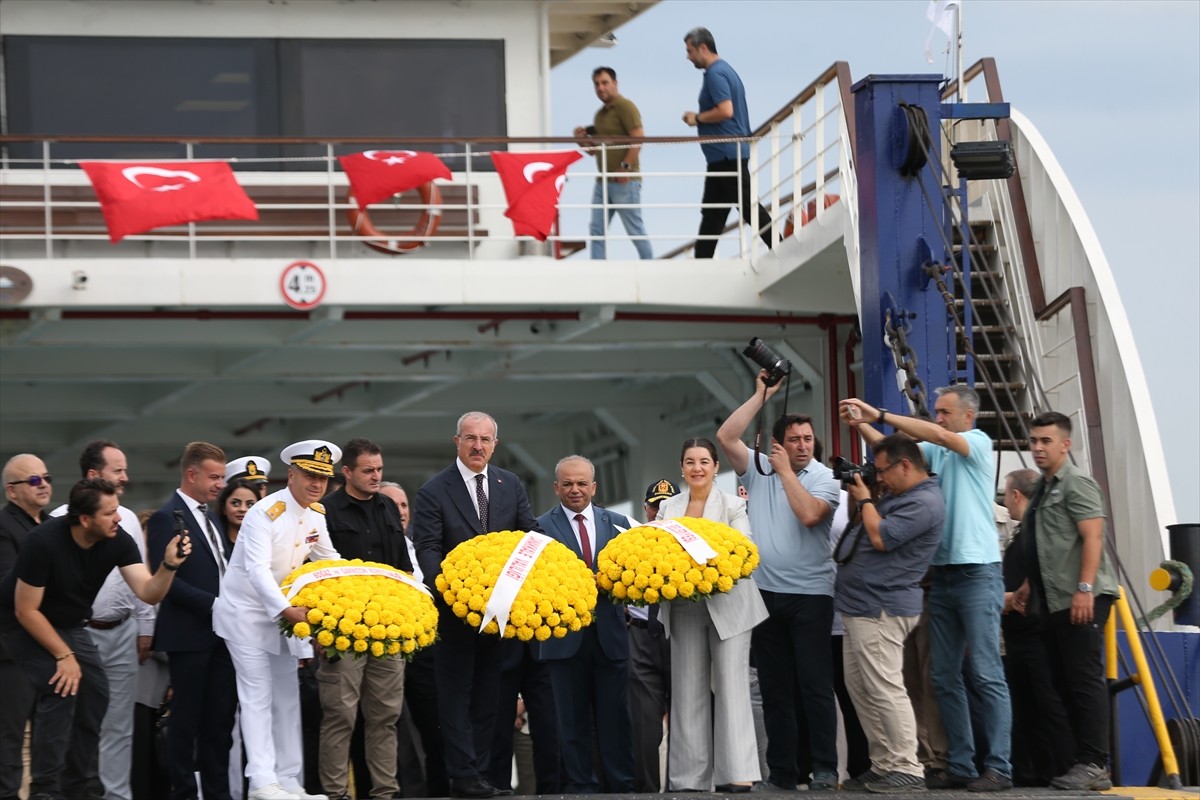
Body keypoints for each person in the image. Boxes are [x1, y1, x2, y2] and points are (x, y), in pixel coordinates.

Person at [840, 388, 1013, 791]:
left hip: (977, 571)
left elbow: (928, 442)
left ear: (968, 416)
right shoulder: (935, 454)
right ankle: (962, 764)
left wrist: (879, 411)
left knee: (987, 673)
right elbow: (894, 454)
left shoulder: (976, 443)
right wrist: (863, 423)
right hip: (942, 577)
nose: (937, 419)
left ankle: (1000, 767)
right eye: (935, 412)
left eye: (944, 412)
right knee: (944, 675)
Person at [0, 478, 191, 800]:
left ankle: (81, 788)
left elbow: (148, 593)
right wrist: (64, 656)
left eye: (117, 510)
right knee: (61, 688)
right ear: (85, 519)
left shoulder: (117, 539)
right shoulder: (43, 541)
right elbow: (26, 610)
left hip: (69, 623)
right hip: (19, 623)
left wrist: (169, 565)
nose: (118, 518)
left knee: (96, 693)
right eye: (109, 513)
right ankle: (45, 791)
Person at [716, 371, 840, 790]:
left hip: (812, 597)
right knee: (774, 689)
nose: (802, 445)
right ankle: (784, 772)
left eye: (807, 439)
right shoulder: (758, 468)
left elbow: (809, 515)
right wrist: (760, 395)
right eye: (795, 439)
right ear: (779, 443)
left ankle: (824, 767)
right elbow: (726, 436)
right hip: (765, 594)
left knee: (815, 685)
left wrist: (786, 472)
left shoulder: (824, 477)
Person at [412, 412, 538, 799]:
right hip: (455, 615)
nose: (478, 445)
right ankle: (462, 775)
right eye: (470, 438)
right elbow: (428, 547)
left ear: (495, 444)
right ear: (457, 442)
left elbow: (528, 533)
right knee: (455, 697)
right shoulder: (433, 491)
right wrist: (451, 592)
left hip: (499, 617)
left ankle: (480, 774)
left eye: (485, 439)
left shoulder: (509, 483)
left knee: (489, 698)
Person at [214, 440, 342, 800]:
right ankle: (261, 781)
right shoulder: (265, 512)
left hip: (283, 616)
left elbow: (329, 563)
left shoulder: (316, 514)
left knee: (287, 698)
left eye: (323, 478)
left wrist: (352, 597)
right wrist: (286, 611)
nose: (317, 484)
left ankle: (288, 781)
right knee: (256, 695)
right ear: (292, 474)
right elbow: (255, 570)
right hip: (246, 614)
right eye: (309, 476)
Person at [1011, 412, 1119, 791]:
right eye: (1033, 441)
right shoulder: (1043, 488)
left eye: (1045, 441)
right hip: (1053, 600)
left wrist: (1085, 588)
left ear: (1065, 444)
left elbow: (1093, 538)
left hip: (1082, 598)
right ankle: (1081, 760)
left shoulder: (1077, 483)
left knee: (1083, 679)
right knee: (1062, 681)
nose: (1037, 448)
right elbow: (1045, 544)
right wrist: (1027, 585)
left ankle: (1094, 763)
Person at [834, 435, 945, 793]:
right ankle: (884, 763)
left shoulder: (924, 502)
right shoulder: (898, 496)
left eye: (883, 471)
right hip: (860, 605)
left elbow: (881, 537)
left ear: (906, 465)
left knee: (884, 687)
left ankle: (908, 767)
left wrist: (866, 498)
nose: (879, 477)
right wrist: (868, 498)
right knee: (861, 687)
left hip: (881, 607)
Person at [656, 438, 768, 792]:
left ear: (716, 466)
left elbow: (745, 547)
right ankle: (689, 778)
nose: (697, 468)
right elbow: (655, 550)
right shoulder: (668, 509)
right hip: (684, 605)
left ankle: (738, 774)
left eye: (704, 461)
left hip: (730, 605)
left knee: (733, 688)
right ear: (682, 468)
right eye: (690, 462)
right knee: (687, 690)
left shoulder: (734, 504)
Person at [46, 440, 155, 800]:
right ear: (94, 475)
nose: (125, 477)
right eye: (117, 470)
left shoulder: (126, 522)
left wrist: (146, 627)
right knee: (72, 722)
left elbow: (143, 580)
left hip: (124, 633)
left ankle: (116, 796)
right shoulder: (58, 522)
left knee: (119, 726)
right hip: (75, 634)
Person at [534, 455, 635, 794]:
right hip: (564, 640)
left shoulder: (620, 523)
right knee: (571, 722)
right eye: (567, 484)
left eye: (581, 483)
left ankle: (621, 786)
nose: (575, 490)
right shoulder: (537, 529)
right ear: (556, 488)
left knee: (616, 720)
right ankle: (581, 787)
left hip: (611, 637)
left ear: (594, 486)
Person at [317, 438, 411, 800]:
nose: (376, 476)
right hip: (342, 628)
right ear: (347, 472)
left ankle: (385, 793)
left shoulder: (387, 507)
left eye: (379, 469)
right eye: (368, 470)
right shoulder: (325, 512)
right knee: (340, 718)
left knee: (385, 717)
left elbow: (403, 567)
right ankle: (336, 795)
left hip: (388, 628)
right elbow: (314, 574)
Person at [147, 441, 239, 800]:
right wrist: (216, 605)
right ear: (191, 474)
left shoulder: (211, 517)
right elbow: (167, 582)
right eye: (214, 477)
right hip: (189, 635)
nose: (220, 484)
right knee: (185, 723)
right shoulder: (165, 518)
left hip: (222, 635)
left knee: (220, 722)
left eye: (222, 477)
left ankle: (218, 794)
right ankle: (184, 792)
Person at [999, 469, 1074, 786]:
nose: (1004, 502)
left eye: (1005, 495)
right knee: (1027, 705)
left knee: (1045, 701)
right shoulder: (1025, 531)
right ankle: (1036, 771)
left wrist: (1020, 592)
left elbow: (1046, 565)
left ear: (1016, 495)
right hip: (1020, 634)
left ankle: (1062, 767)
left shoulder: (1035, 530)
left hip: (1033, 633)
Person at [380, 481, 448, 799]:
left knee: (435, 730)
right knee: (392, 730)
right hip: (385, 649)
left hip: (426, 653)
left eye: (404, 505)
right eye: (391, 505)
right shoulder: (371, 552)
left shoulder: (425, 547)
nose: (400, 512)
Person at [681, 26, 773, 258]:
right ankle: (701, 260)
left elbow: (725, 110)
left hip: (726, 154)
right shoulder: (725, 71)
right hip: (723, 155)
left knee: (746, 206)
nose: (688, 56)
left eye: (690, 51)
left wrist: (697, 118)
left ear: (703, 48)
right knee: (713, 213)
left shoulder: (715, 74)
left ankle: (779, 245)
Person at [0, 454, 52, 800]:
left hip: (50, 646)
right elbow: (7, 586)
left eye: (46, 477)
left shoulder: (50, 526)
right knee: (11, 737)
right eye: (34, 480)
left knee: (51, 735)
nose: (44, 484)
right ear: (12, 491)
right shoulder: (4, 528)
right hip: (13, 651)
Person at [574, 66, 653, 260]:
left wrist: (625, 168)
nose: (600, 88)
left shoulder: (626, 106)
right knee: (596, 230)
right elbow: (594, 152)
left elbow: (639, 138)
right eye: (597, 84)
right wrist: (581, 140)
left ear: (615, 84)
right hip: (603, 182)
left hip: (625, 181)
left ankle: (651, 269)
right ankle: (598, 271)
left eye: (605, 83)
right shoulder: (600, 115)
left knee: (635, 230)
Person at [628, 478, 676, 793]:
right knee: (645, 725)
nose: (660, 512)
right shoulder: (629, 541)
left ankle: (685, 789)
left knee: (688, 721)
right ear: (646, 509)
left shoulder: (695, 541)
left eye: (666, 505)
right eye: (655, 506)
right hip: (641, 635)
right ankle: (646, 791)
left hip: (680, 636)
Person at [217, 478, 259, 545]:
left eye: (250, 505)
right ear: (224, 508)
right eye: (235, 503)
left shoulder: (267, 542)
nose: (242, 509)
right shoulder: (214, 542)